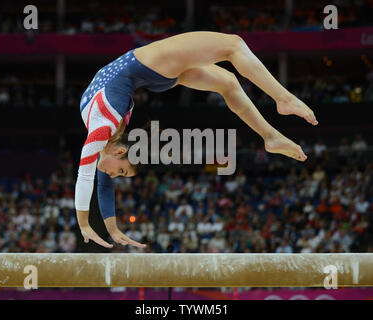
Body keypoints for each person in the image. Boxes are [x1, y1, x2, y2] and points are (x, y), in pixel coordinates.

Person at [76, 31, 318, 248]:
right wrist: (113, 229)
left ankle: (282, 103)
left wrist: (85, 225)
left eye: (120, 172)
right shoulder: (108, 142)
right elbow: (103, 182)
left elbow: (86, 176)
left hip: (150, 63)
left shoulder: (103, 130)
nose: (113, 176)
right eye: (121, 174)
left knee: (233, 51)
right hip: (150, 75)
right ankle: (271, 136)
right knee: (231, 64)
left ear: (119, 153)